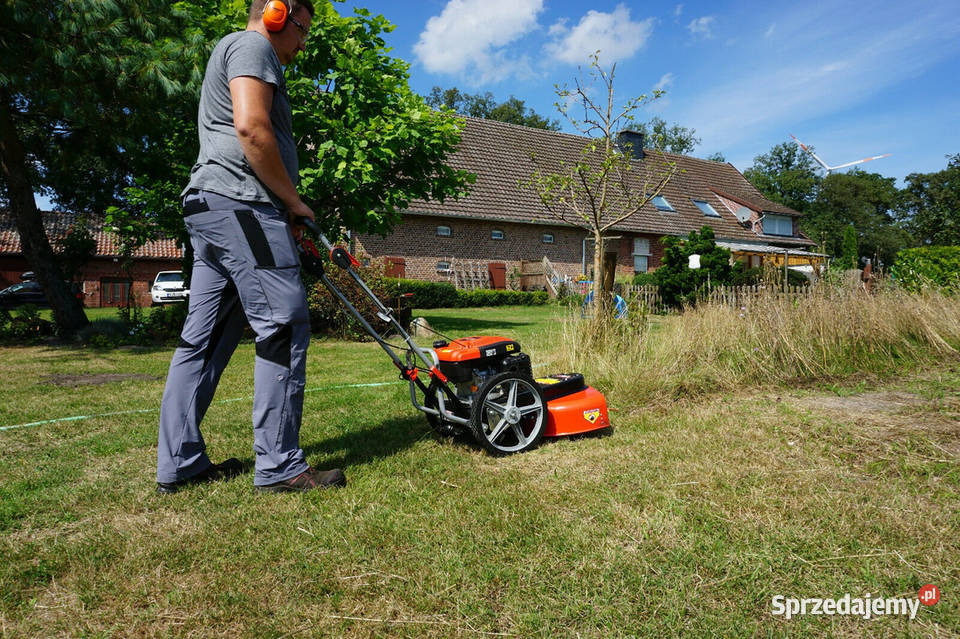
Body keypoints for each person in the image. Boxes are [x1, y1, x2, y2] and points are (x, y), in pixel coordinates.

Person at [156, 0, 345, 493]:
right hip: (242, 204)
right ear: (277, 14)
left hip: (212, 207)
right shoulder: (252, 45)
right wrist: (292, 201)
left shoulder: (237, 49)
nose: (303, 43)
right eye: (302, 29)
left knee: (206, 338)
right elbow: (251, 128)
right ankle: (281, 467)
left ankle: (180, 463)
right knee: (282, 323)